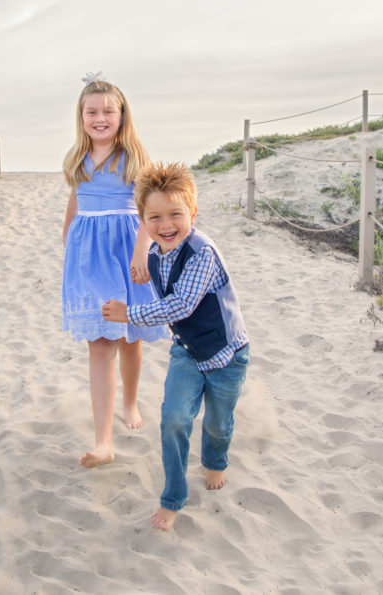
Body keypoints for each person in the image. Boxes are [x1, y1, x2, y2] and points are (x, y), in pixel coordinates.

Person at [102, 162, 249, 531]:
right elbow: (156, 282)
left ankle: (215, 461)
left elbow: (180, 305)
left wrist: (128, 314)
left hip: (226, 354)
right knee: (174, 420)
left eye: (175, 215)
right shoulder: (155, 254)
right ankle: (173, 496)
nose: (165, 225)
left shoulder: (203, 253)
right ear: (143, 220)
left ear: (193, 213)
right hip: (186, 350)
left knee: (216, 424)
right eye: (154, 217)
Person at [62, 74, 168, 470]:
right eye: (92, 111)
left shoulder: (134, 159)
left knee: (130, 338)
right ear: (82, 117)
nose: (100, 117)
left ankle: (130, 400)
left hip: (126, 253)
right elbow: (75, 199)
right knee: (101, 342)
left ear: (122, 116)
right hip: (89, 258)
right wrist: (68, 237)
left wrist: (143, 252)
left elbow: (147, 210)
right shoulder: (76, 158)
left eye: (109, 110)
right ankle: (104, 441)